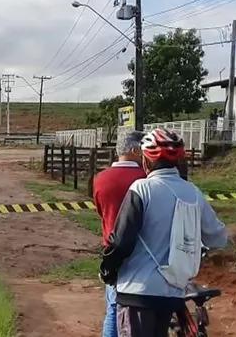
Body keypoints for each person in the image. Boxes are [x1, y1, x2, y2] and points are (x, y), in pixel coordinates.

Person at [101, 128, 228, 337]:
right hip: (172, 293)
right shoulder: (192, 192)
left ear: (146, 161)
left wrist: (107, 269)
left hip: (137, 292)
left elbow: (121, 241)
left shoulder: (142, 189)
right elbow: (218, 237)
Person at [92, 131, 147, 337]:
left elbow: (100, 211)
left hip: (111, 251)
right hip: (142, 251)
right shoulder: (144, 178)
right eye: (143, 149)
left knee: (113, 309)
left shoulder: (100, 179)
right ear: (134, 150)